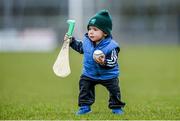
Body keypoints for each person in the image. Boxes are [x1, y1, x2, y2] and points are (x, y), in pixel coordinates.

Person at [64, 9, 125, 115]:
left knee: (114, 90)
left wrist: (104, 62)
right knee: (84, 88)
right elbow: (80, 47)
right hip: (89, 73)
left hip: (108, 75)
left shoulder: (112, 46)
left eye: (95, 29)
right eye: (89, 29)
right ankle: (85, 107)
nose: (91, 32)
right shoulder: (87, 41)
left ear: (105, 32)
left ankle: (116, 107)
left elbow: (113, 61)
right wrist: (71, 41)